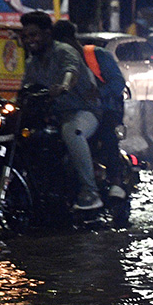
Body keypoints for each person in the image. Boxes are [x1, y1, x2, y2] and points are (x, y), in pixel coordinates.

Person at [19, 11, 103, 210]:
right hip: (54, 116)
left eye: (34, 35)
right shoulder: (32, 63)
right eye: (26, 36)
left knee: (72, 131)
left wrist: (64, 86)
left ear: (47, 34)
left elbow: (70, 71)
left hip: (82, 111)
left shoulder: (64, 51)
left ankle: (90, 191)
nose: (30, 40)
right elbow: (25, 88)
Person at [52, 20, 126, 171]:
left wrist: (99, 92)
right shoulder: (60, 62)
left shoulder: (97, 55)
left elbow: (118, 82)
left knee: (107, 136)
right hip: (76, 111)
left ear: (69, 41)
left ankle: (115, 179)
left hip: (106, 109)